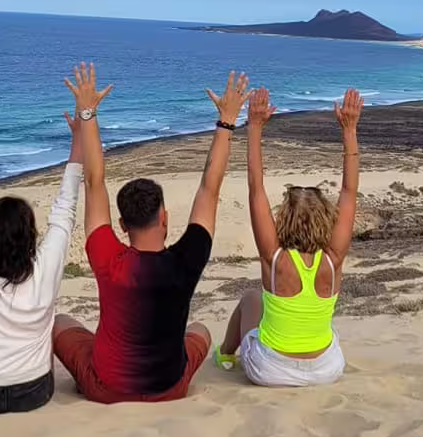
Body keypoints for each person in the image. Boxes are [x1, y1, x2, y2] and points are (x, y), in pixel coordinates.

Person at [53, 62, 250, 404]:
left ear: (122, 226)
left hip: (107, 388)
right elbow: (209, 189)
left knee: (59, 323)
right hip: (170, 387)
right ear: (165, 218)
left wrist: (88, 113)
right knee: (200, 330)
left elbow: (94, 182)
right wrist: (227, 122)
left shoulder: (107, 257)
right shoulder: (186, 260)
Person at [215, 86, 363, 387]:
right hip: (326, 369)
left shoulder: (275, 257)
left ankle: (226, 355)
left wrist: (254, 126)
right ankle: (232, 354)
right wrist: (349, 130)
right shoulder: (334, 259)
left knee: (251, 298)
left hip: (271, 370)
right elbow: (349, 192)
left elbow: (256, 188)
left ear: (284, 216)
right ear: (325, 217)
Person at [0, 100, 82, 415]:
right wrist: (78, 141)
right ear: (30, 235)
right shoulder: (47, 264)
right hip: (34, 393)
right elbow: (66, 208)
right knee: (48, 319)